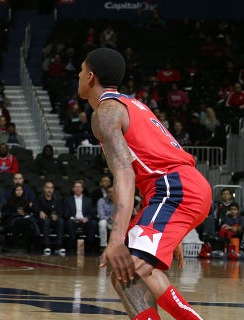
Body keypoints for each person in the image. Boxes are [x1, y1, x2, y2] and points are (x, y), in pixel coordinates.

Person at [79, 47, 211, 320]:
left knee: (124, 270)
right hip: (180, 190)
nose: (78, 77)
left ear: (90, 77)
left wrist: (116, 239)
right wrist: (169, 229)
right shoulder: (133, 104)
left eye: (80, 72)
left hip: (174, 190)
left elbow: (125, 174)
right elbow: (160, 159)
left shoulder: (105, 113)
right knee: (137, 270)